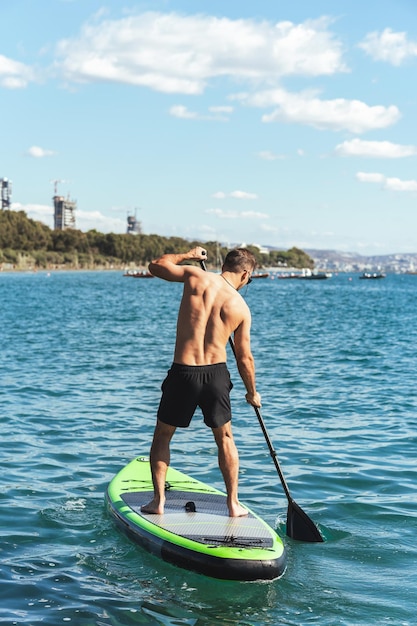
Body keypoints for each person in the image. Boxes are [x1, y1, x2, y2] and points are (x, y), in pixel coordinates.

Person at [141, 246, 261, 517]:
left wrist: (188, 254)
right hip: (215, 375)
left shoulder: (196, 277)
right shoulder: (240, 307)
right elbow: (245, 358)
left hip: (183, 371)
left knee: (163, 436)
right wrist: (252, 393)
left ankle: (158, 502)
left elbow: (156, 265)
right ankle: (233, 504)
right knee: (226, 439)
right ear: (245, 273)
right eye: (249, 279)